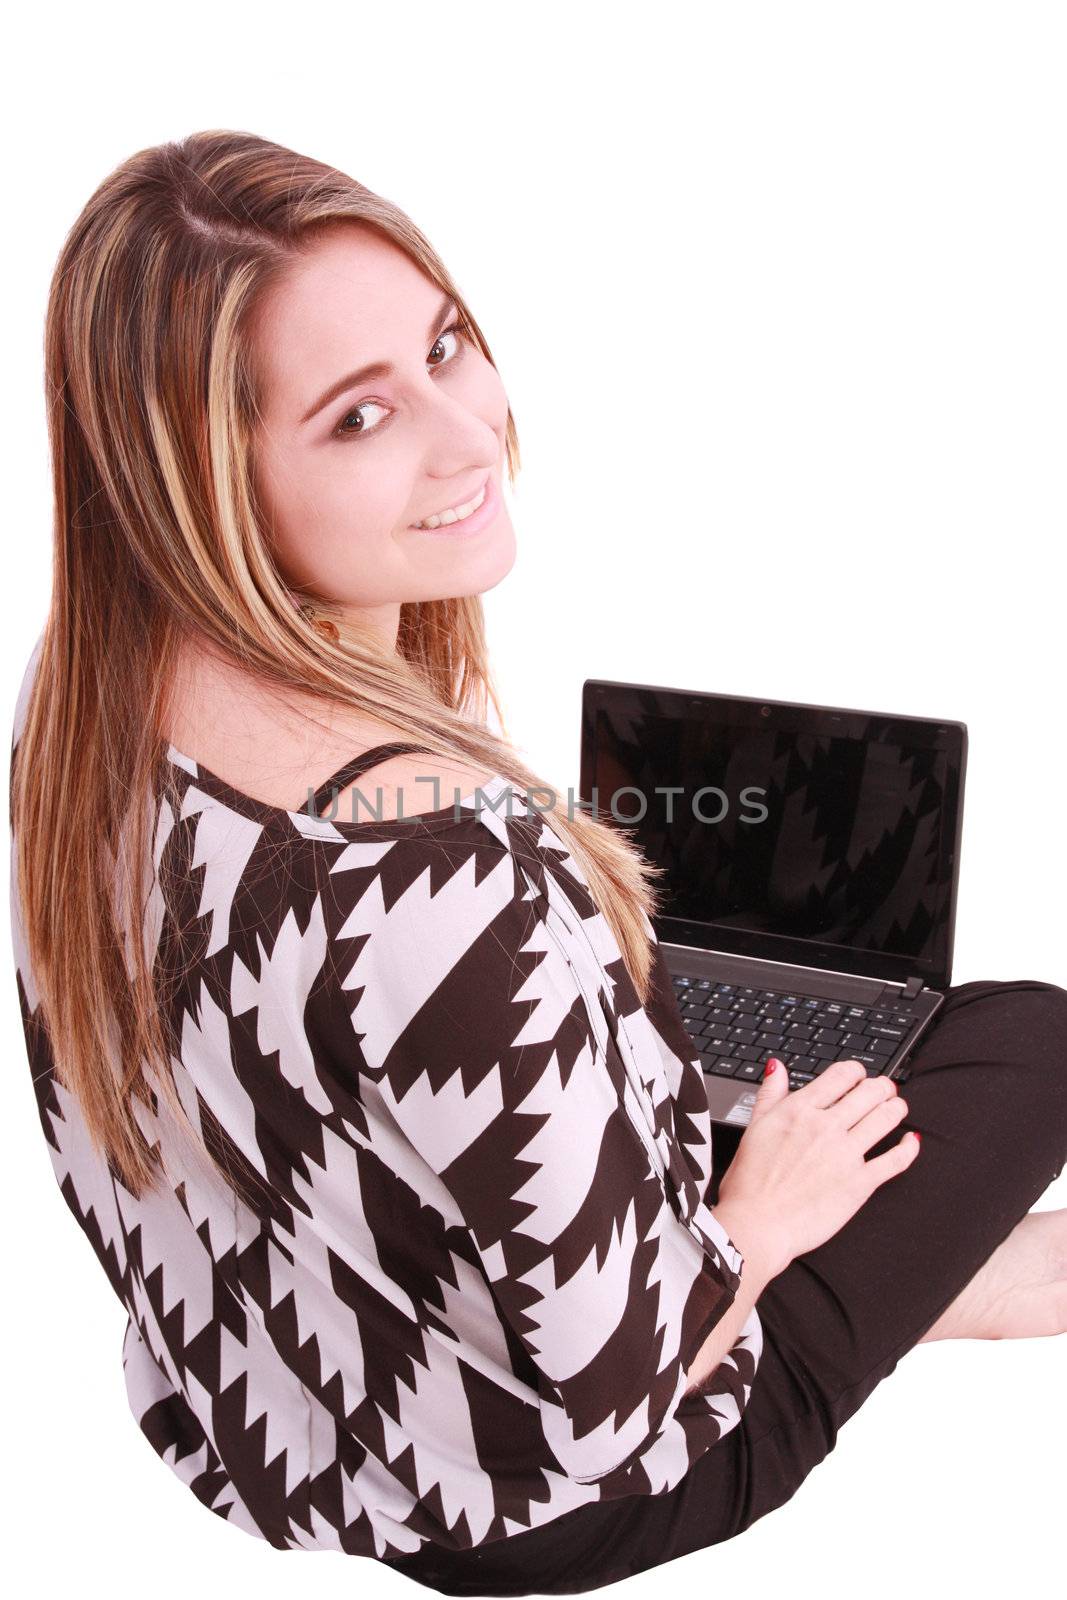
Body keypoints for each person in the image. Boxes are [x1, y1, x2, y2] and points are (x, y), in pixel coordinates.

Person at [8, 129, 1067, 1597]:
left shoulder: (78, 716)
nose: (468, 432)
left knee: (768, 1113)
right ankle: (930, 1268)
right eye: (359, 419)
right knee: (1027, 1039)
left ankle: (930, 1270)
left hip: (282, 1400)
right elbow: (620, 1393)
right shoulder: (437, 870)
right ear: (198, 479)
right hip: (549, 1503)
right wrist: (758, 1221)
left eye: (446, 346)